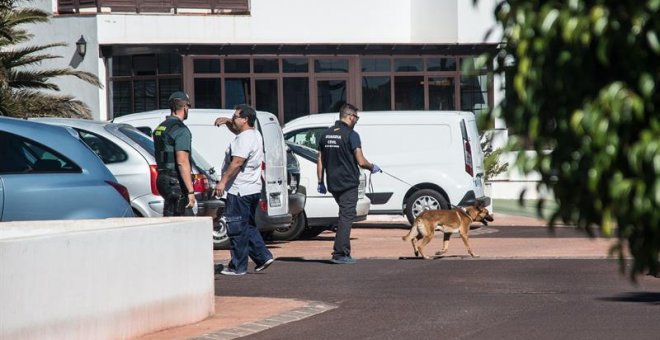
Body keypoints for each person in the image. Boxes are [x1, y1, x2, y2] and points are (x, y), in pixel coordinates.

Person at [213, 104, 274, 275]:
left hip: (240, 189)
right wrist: (228, 123)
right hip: (252, 188)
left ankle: (238, 266)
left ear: (245, 119)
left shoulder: (244, 139)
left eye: (235, 117)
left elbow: (237, 162)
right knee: (248, 225)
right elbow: (239, 132)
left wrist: (223, 182)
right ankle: (262, 257)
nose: (233, 119)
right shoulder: (254, 134)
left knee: (236, 227)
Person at [317, 103, 381, 264]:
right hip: (348, 183)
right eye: (356, 117)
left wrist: (320, 181)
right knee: (346, 217)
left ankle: (343, 251)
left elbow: (320, 160)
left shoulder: (326, 134)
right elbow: (361, 160)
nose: (357, 120)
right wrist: (372, 167)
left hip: (333, 183)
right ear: (350, 116)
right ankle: (340, 254)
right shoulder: (352, 135)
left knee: (344, 215)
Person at [153, 91, 196, 216]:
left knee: (171, 218)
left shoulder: (161, 127)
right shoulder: (181, 130)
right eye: (188, 106)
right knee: (184, 223)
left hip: (162, 178)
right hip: (175, 181)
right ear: (184, 107)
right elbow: (182, 162)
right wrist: (190, 191)